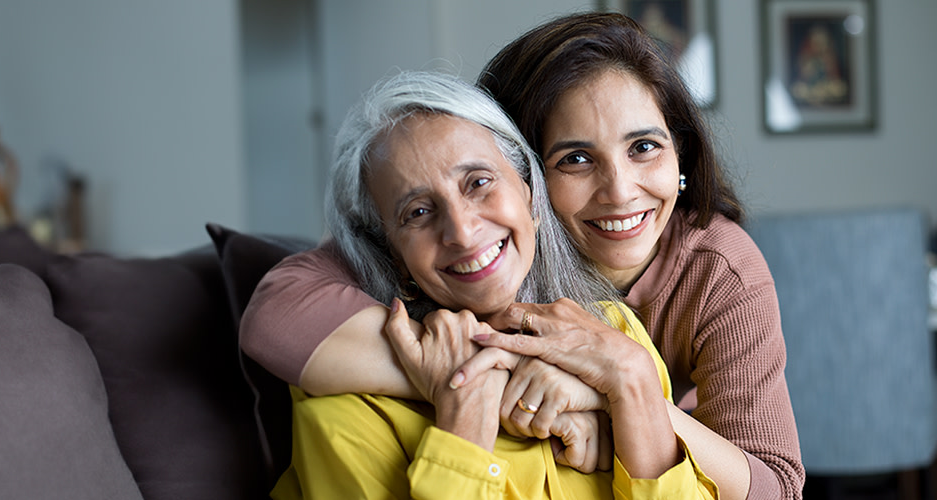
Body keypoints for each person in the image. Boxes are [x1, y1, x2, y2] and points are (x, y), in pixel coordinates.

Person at [242, 12, 801, 500]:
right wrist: (494, 375)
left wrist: (626, 397)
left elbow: (774, 487)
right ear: (532, 174)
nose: (621, 190)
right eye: (576, 159)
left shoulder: (665, 305)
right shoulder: (452, 259)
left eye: (644, 147)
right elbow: (278, 314)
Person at [271, 69, 715, 499]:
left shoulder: (616, 335)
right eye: (419, 213)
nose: (462, 232)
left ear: (529, 194)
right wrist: (464, 421)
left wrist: (633, 382)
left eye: (478, 183)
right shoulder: (345, 408)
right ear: (395, 258)